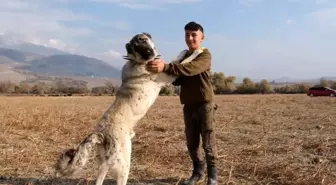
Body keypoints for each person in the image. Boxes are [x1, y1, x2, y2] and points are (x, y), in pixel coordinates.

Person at [146, 21, 218, 185]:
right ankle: (198, 172)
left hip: (205, 104)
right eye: (187, 35)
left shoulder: (204, 55)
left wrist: (166, 67)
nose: (190, 38)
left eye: (194, 35)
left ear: (202, 37)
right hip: (188, 105)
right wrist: (163, 72)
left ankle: (212, 177)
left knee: (208, 143)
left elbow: (190, 69)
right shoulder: (183, 57)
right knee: (192, 143)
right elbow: (178, 80)